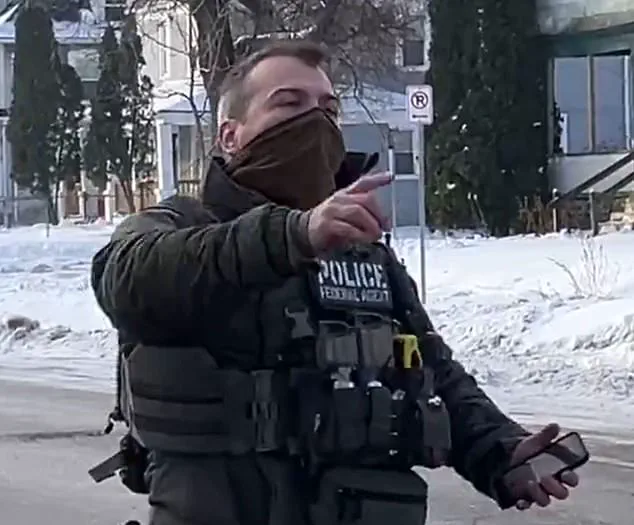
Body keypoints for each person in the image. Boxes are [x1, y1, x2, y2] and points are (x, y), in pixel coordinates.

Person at [90, 40, 579, 525]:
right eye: (290, 104)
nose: (316, 123)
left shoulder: (362, 252)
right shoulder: (180, 226)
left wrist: (501, 451)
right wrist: (292, 235)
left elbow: (432, 372)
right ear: (230, 136)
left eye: (328, 109)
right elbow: (126, 279)